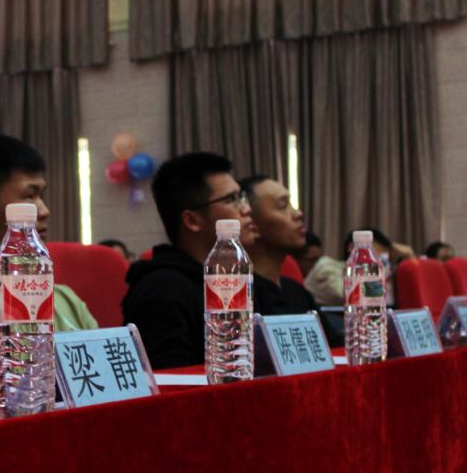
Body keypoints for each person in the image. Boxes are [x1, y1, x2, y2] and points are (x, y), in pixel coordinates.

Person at [0, 133, 97, 387]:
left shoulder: (64, 296)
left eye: (41, 196)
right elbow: (28, 387)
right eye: (29, 197)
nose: (44, 211)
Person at [123, 153, 253, 369]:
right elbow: (170, 381)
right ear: (192, 220)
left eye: (242, 196)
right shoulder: (162, 290)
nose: (246, 208)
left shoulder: (237, 280)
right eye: (231, 199)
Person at [241, 175, 343, 346]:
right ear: (253, 225)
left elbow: (334, 347)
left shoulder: (297, 291)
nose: (298, 214)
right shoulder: (242, 297)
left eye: (292, 205)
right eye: (283, 206)